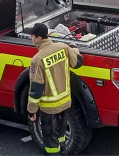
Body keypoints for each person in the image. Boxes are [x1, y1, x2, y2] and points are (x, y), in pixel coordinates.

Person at [27, 23, 83, 154]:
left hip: (49, 108)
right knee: (61, 135)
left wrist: (31, 111)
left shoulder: (38, 60)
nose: (31, 38)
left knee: (50, 143)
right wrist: (74, 48)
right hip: (65, 103)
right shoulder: (63, 48)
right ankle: (63, 151)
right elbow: (78, 62)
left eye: (32, 36)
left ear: (39, 38)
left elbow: (36, 90)